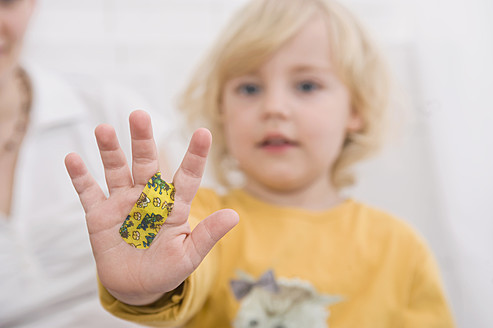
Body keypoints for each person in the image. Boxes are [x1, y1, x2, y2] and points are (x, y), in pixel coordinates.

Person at [64, 0, 455, 327]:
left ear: (357, 109)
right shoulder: (193, 217)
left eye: (307, 85)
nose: (274, 108)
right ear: (222, 110)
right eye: (249, 88)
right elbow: (162, 268)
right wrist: (143, 283)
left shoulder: (401, 248)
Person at [0, 0, 149, 326]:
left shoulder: (109, 111)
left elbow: (161, 254)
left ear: (31, 6)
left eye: (5, 3)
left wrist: (147, 284)